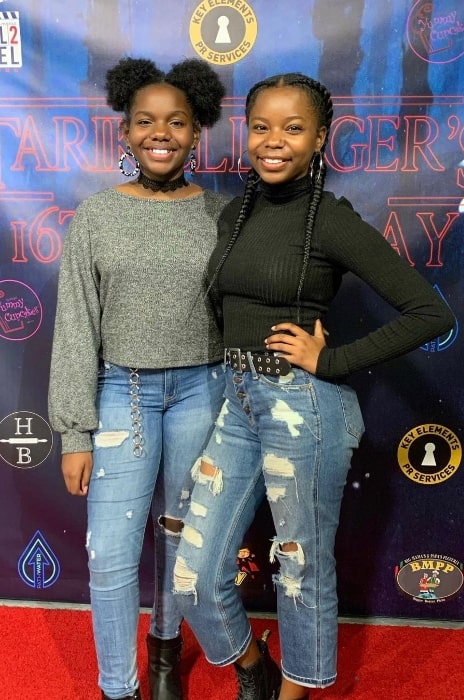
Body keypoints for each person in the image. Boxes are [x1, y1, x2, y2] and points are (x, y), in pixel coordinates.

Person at [172, 72, 455, 700]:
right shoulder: (235, 213)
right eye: (263, 126)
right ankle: (254, 668)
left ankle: (296, 695)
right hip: (238, 404)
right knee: (192, 576)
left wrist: (332, 361)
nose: (275, 142)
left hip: (305, 409)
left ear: (320, 138)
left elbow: (431, 314)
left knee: (300, 573)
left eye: (294, 128)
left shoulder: (329, 219)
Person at [48, 56, 227, 700]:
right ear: (125, 132)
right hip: (121, 394)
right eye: (146, 121)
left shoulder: (220, 216)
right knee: (113, 552)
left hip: (202, 392)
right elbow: (75, 327)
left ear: (196, 131)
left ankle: (165, 653)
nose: (161, 132)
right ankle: (116, 688)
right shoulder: (95, 216)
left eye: (176, 121)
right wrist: (73, 431)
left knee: (184, 538)